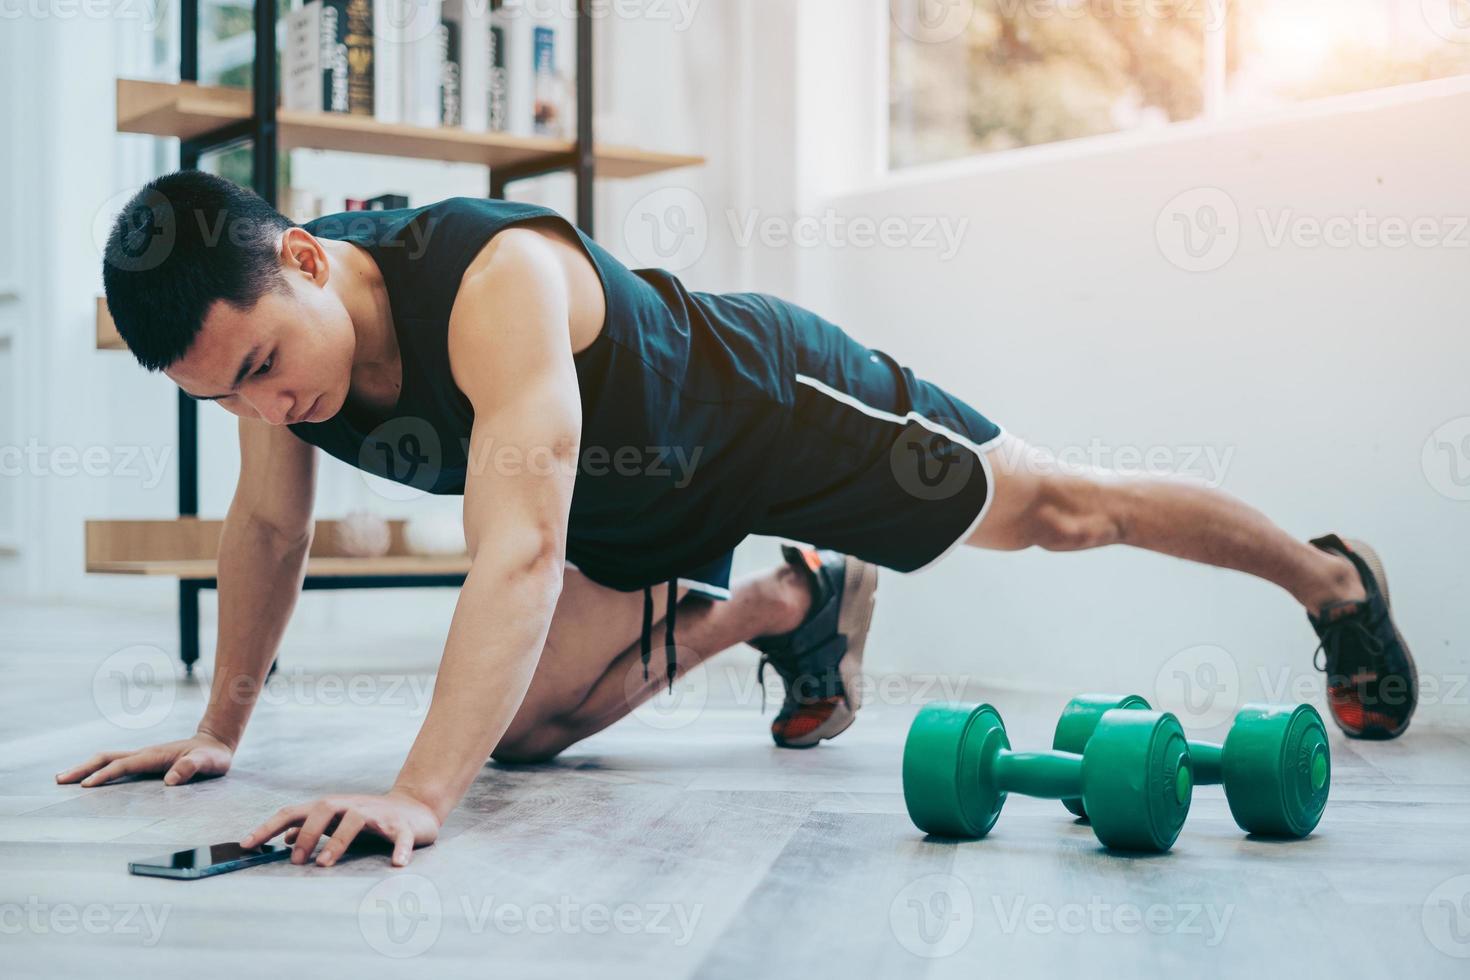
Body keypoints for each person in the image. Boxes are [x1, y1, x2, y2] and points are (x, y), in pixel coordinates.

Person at [60, 170, 1416, 869]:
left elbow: (520, 550)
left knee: (1062, 512)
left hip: (773, 410)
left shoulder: (487, 277)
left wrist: (418, 797)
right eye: (220, 397)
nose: (265, 407)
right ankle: (790, 602)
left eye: (255, 368)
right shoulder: (280, 375)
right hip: (632, 511)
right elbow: (266, 535)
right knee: (523, 737)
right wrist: (221, 732)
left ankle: (1329, 584)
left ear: (302, 256)